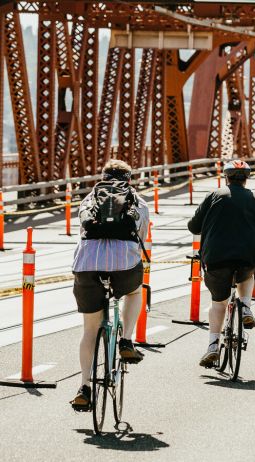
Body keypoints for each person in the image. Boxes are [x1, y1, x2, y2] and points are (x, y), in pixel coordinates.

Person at [70, 159, 149, 410]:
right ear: (129, 180)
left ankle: (84, 387)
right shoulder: (138, 201)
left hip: (87, 266)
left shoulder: (89, 199)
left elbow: (83, 232)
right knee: (135, 291)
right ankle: (126, 340)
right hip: (123, 264)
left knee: (90, 330)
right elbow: (141, 237)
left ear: (102, 177)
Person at [188, 160, 255, 367]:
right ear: (246, 178)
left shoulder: (214, 195)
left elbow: (194, 227)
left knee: (218, 303)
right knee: (247, 273)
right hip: (247, 255)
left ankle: (213, 346)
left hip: (216, 257)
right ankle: (246, 307)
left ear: (226, 176)